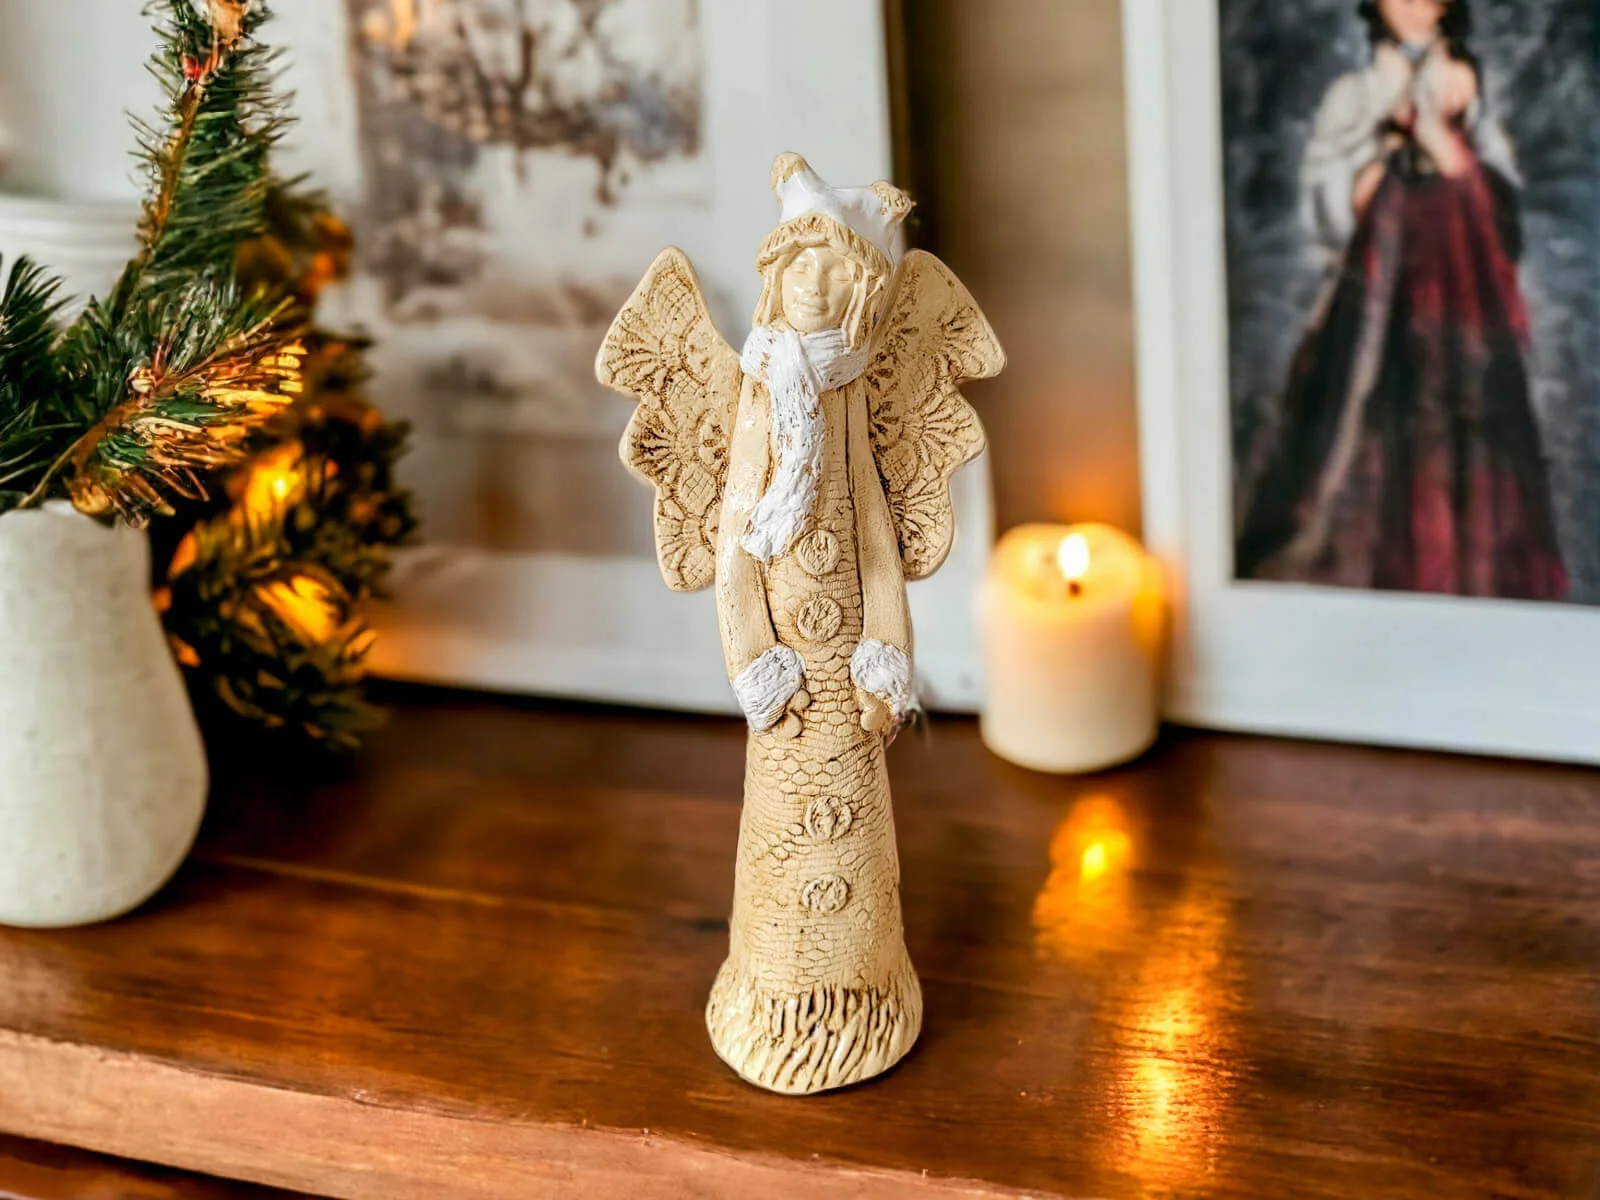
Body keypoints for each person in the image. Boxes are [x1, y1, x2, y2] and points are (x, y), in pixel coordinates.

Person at [1235, 0, 1567, 600]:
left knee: (1463, 419)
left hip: (1459, 296)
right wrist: (1366, 178)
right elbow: (1324, 191)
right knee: (1365, 419)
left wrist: (1449, 145)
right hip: (1377, 296)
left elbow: (1500, 199)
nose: (1413, 4)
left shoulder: (1466, 88)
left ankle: (1462, 565)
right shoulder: (1354, 95)